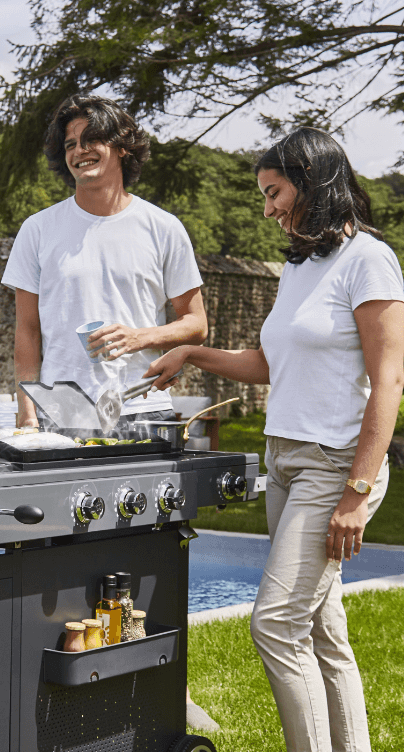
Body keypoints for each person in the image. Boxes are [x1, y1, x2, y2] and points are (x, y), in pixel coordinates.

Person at [146, 127, 404, 752]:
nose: (267, 209)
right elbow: (268, 363)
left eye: (274, 192)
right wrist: (193, 352)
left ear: (312, 183)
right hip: (284, 459)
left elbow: (390, 378)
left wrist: (356, 492)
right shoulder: (302, 268)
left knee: (276, 625)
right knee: (322, 631)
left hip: (335, 466)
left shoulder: (368, 260)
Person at [1, 93, 208, 428]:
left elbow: (196, 325)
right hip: (62, 412)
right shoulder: (37, 229)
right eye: (70, 144)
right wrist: (27, 413)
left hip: (143, 406)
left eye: (92, 139)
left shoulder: (164, 228)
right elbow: (27, 330)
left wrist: (139, 337)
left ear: (123, 148)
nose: (79, 151)